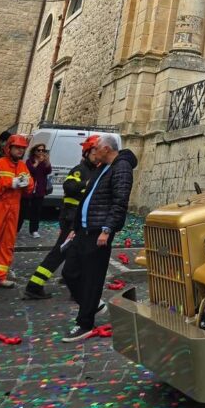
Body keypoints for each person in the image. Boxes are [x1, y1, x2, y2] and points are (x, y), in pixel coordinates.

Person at [62, 135, 137, 342]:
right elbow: (88, 199)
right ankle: (92, 305)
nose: (93, 152)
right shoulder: (101, 167)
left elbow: (120, 201)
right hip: (83, 230)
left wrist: (107, 229)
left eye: (96, 148)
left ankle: (84, 323)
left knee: (92, 279)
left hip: (98, 232)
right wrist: (75, 228)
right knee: (70, 272)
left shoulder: (121, 167)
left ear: (106, 149)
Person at [24, 134, 100, 300]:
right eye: (95, 151)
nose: (98, 154)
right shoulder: (81, 170)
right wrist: (86, 186)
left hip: (79, 219)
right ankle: (34, 286)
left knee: (77, 252)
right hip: (71, 219)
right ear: (87, 152)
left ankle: (71, 280)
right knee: (60, 252)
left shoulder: (95, 171)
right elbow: (69, 187)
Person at [0, 134, 33, 287]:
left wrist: (27, 184)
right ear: (9, 148)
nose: (20, 151)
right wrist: (10, 182)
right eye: (17, 147)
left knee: (6, 244)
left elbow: (30, 188)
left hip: (13, 210)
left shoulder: (22, 166)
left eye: (22, 148)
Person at [19, 143, 52, 238]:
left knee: (36, 211)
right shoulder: (29, 161)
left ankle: (34, 230)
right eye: (39, 150)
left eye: (43, 150)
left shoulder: (44, 162)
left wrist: (47, 161)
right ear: (34, 151)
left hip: (39, 190)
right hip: (28, 190)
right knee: (23, 211)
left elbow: (48, 171)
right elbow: (30, 170)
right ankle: (17, 228)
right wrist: (37, 163)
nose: (41, 152)